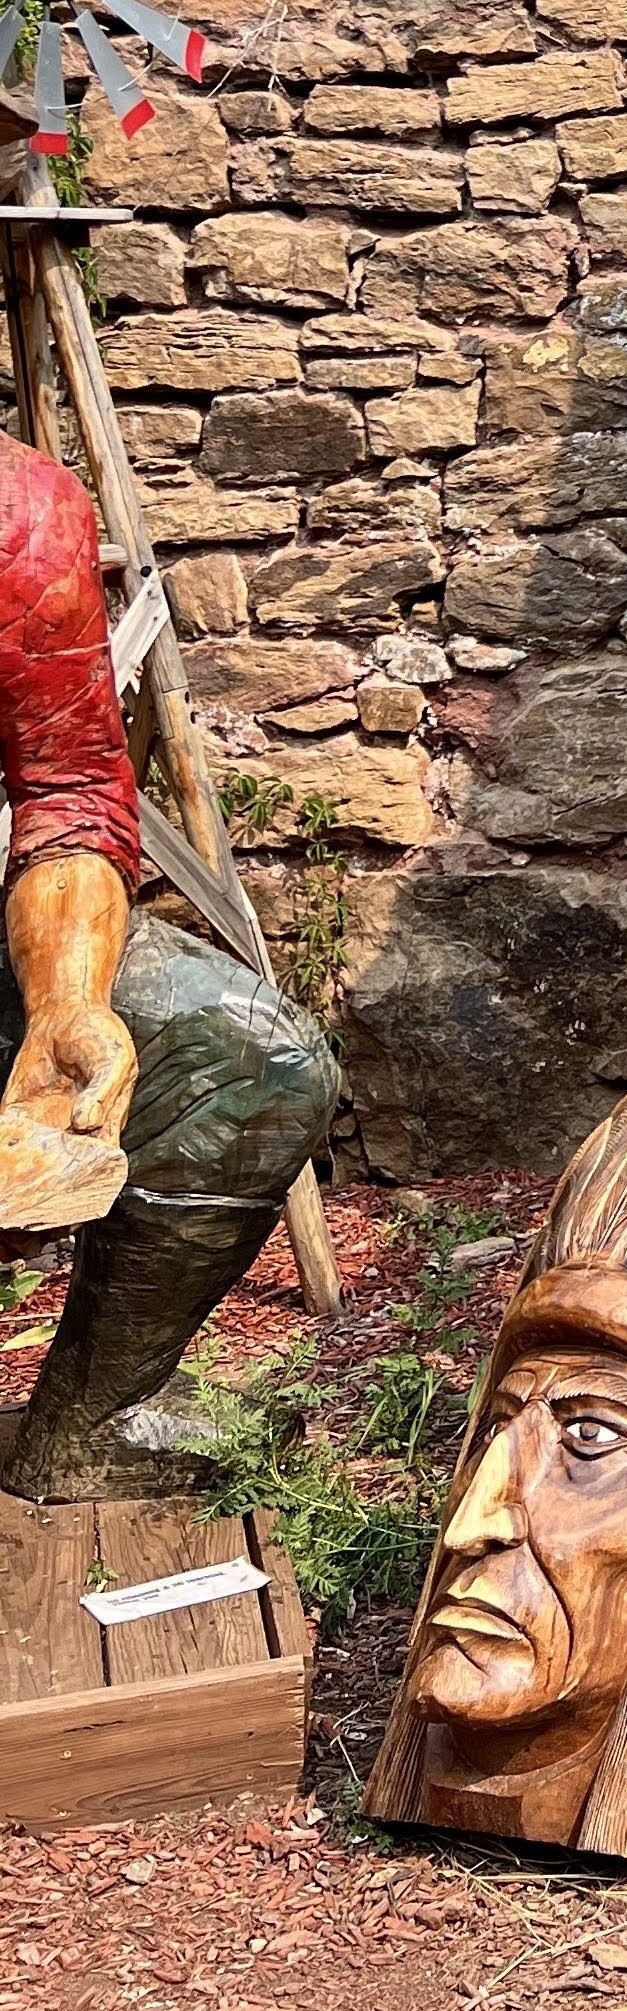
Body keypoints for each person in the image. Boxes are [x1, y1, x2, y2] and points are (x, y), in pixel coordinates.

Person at [0, 429, 340, 1502]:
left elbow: (68, 795)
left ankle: (89, 1427)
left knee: (252, 1062)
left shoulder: (17, 515)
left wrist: (67, 1000)